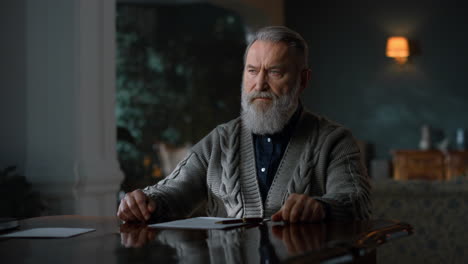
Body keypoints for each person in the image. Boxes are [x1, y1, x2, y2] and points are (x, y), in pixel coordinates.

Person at [117, 26, 371, 223]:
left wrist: (322, 208)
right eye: (252, 71)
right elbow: (174, 192)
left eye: (274, 72)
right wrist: (145, 202)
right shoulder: (219, 139)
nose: (259, 84)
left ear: (303, 80)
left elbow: (356, 200)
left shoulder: (334, 141)